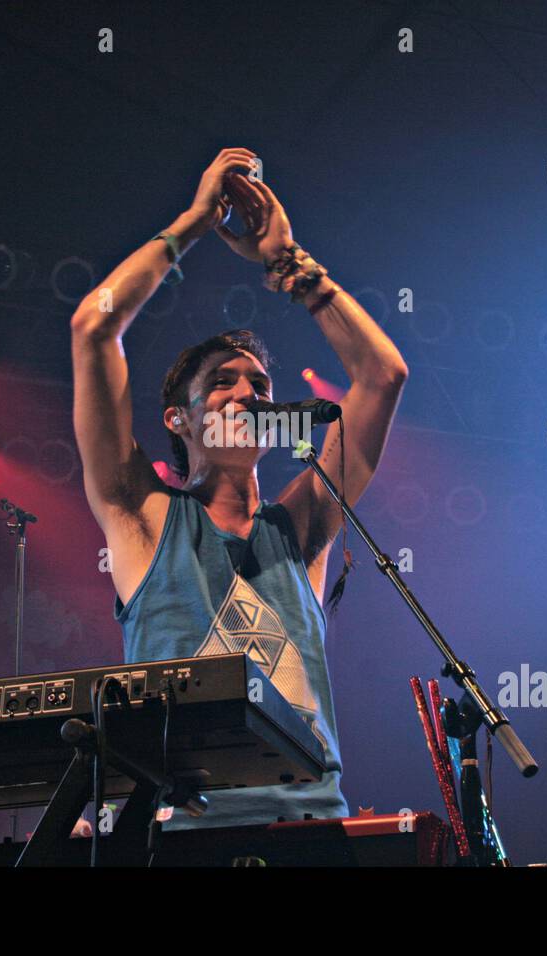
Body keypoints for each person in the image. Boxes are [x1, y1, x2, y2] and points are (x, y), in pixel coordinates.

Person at [69, 147, 408, 828]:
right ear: (179, 419)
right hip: (179, 833)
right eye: (222, 382)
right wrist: (195, 222)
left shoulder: (301, 529)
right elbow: (93, 325)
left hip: (308, 826)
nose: (246, 393)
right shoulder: (143, 515)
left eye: (260, 386)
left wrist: (290, 265)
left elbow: (383, 376)